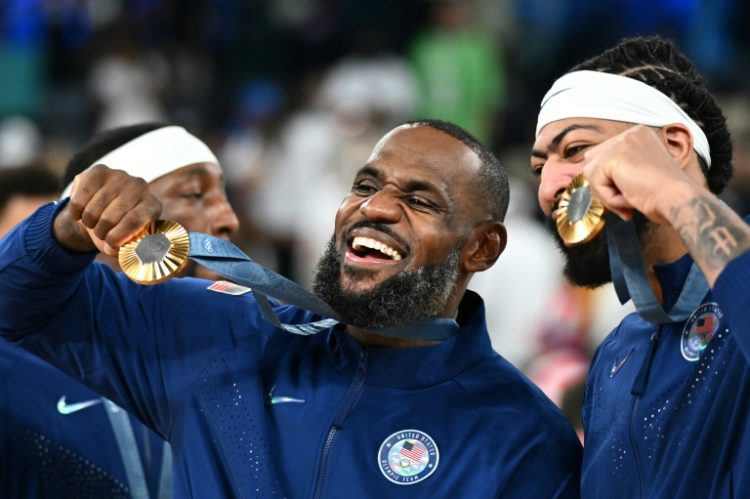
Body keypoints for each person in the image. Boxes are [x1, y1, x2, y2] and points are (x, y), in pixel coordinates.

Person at [0, 119, 582, 498]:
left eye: (418, 200)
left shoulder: (522, 440)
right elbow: (17, 307)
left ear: (481, 247)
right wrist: (63, 231)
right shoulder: (226, 334)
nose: (374, 208)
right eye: (365, 185)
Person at [531, 36, 750, 497]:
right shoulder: (616, 351)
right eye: (539, 168)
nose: (549, 187)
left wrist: (670, 192)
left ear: (673, 146)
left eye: (574, 150)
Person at [0, 123, 239, 499]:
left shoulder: (227, 363)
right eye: (194, 194)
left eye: (225, 195)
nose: (229, 219)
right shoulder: (18, 362)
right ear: (112, 209)